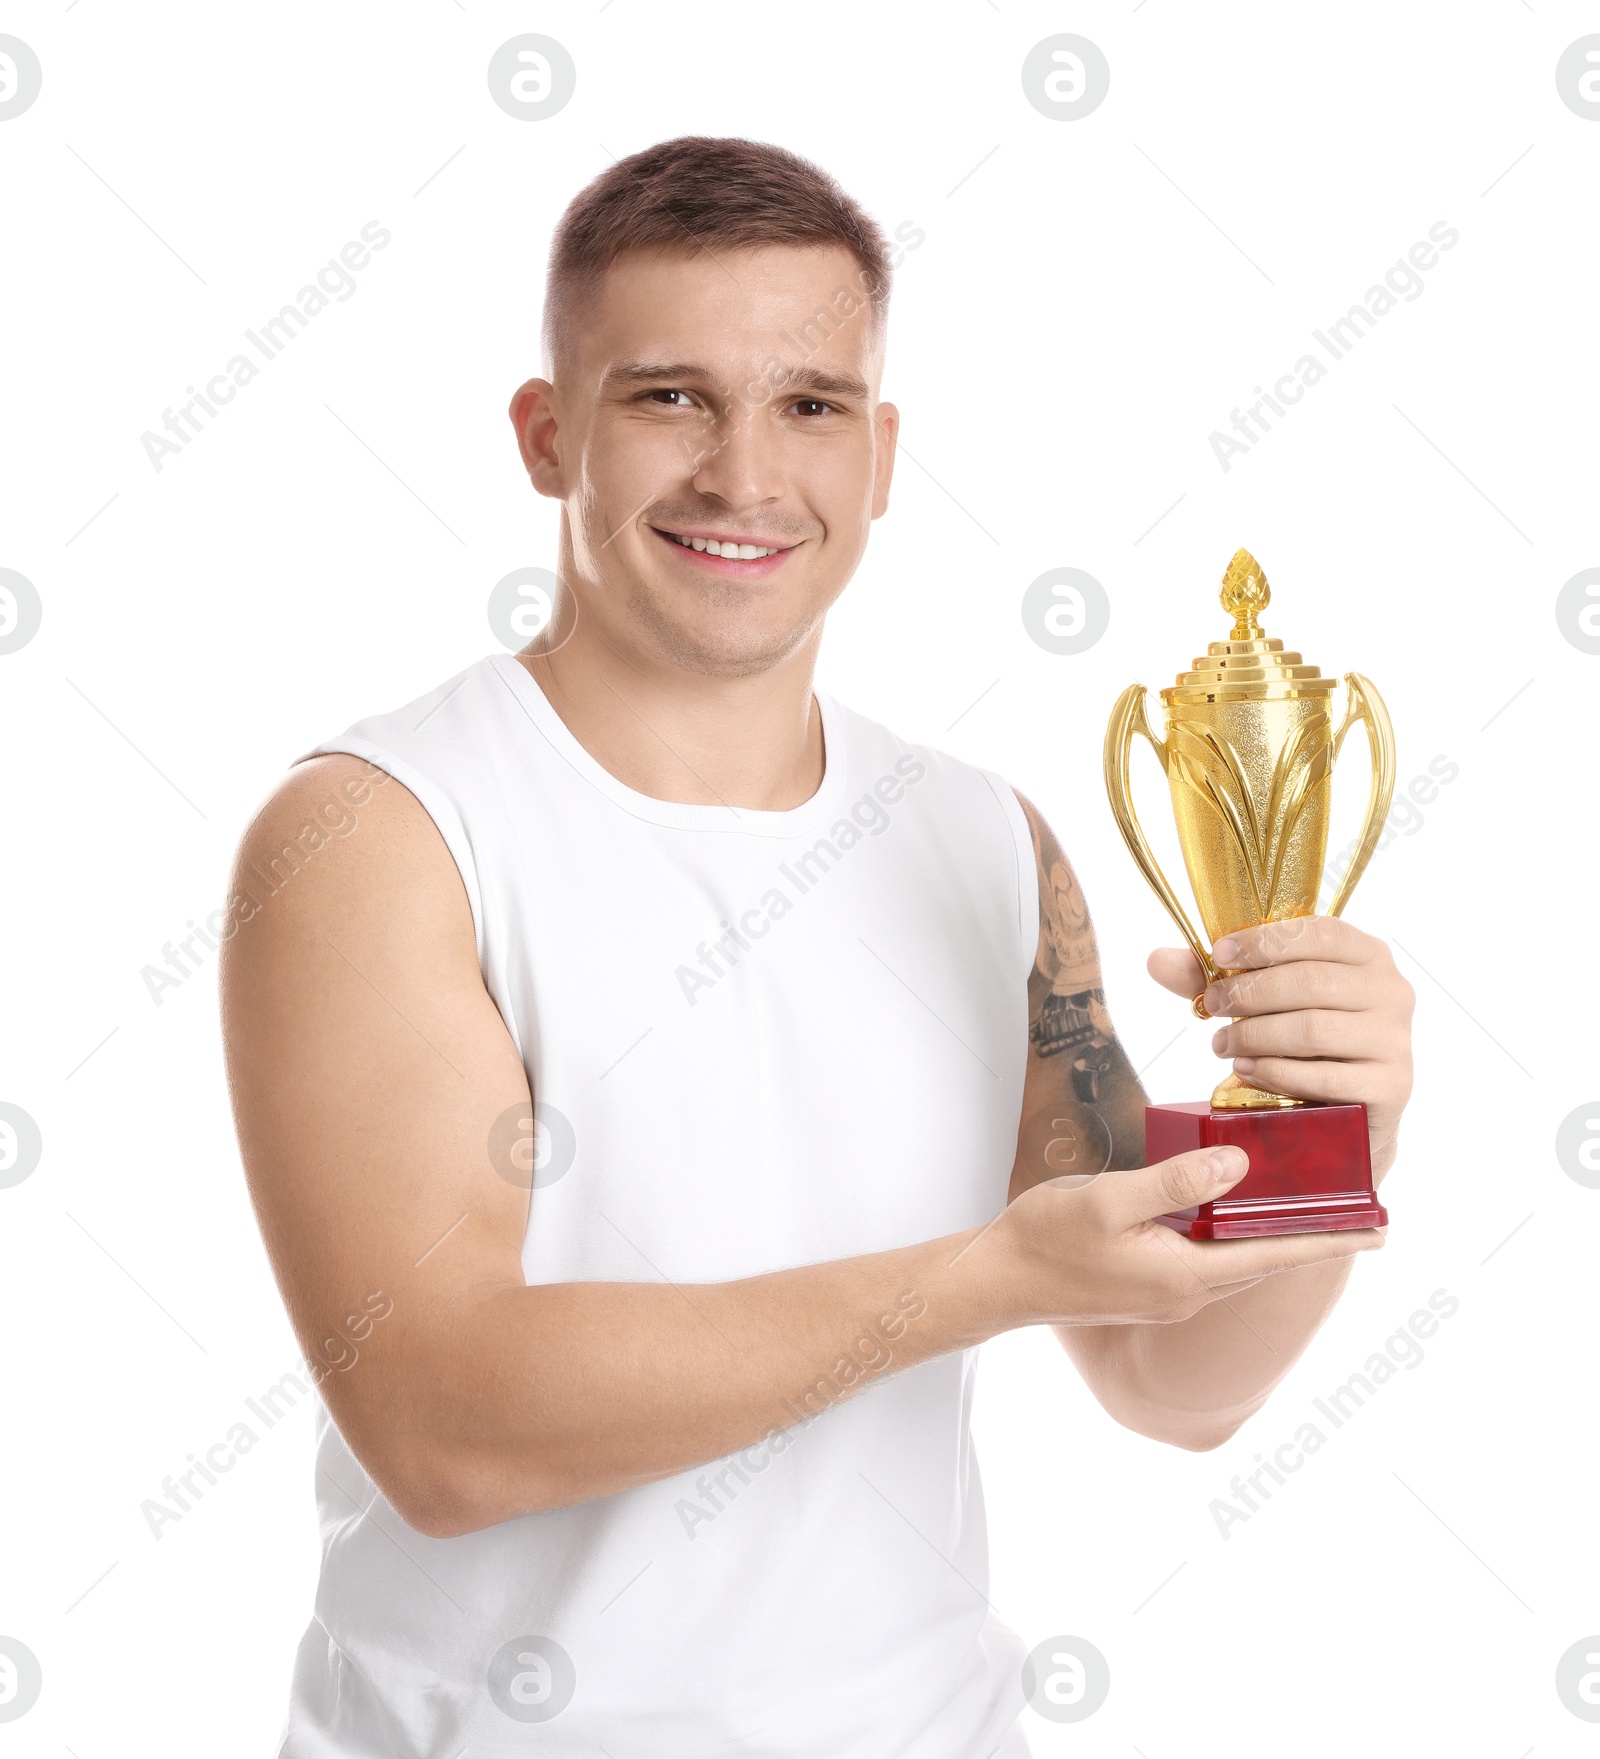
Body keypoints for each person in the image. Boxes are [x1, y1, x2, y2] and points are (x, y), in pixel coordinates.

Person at [220, 134, 1413, 1759]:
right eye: (668, 397)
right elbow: (444, 1427)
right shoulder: (380, 832)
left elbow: (1171, 1381)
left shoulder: (988, 840)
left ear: (882, 453)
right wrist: (977, 1282)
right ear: (545, 433)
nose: (743, 475)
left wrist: (1332, 1127)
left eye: (808, 405)